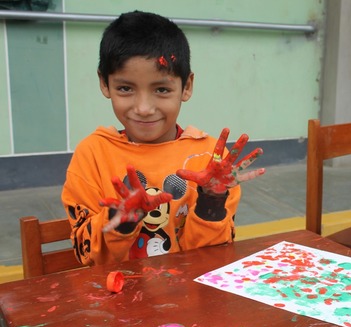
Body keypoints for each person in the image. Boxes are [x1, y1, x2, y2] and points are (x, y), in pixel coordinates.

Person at [62, 11, 264, 266]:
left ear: (187, 86)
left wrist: (211, 201)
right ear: (104, 83)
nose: (144, 108)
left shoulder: (212, 161)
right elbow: (87, 258)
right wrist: (120, 218)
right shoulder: (92, 155)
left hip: (191, 298)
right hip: (117, 298)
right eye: (125, 88)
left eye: (161, 89)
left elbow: (211, 261)